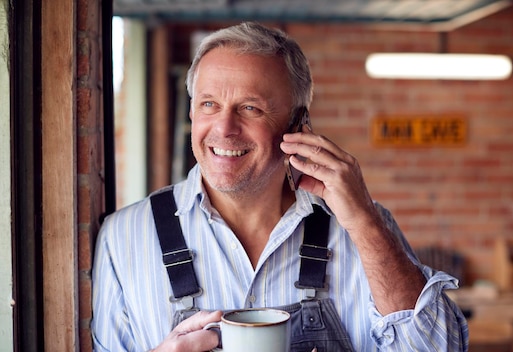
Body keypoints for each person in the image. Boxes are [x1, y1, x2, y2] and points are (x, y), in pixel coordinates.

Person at [91, 21, 468, 351]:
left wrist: (366, 223)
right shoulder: (123, 238)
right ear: (192, 112)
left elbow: (439, 348)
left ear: (297, 124)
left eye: (250, 108)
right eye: (208, 104)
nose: (224, 128)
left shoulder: (363, 229)